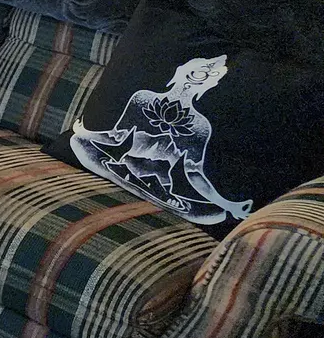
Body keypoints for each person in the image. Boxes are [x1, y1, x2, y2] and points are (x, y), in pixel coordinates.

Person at [68, 54, 248, 225]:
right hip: (123, 164)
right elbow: (116, 137)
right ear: (181, 71)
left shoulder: (200, 126)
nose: (204, 75)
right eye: (202, 69)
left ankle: (156, 190)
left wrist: (226, 203)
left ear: (212, 84)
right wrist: (85, 133)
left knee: (214, 215)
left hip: (161, 184)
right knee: (77, 142)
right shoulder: (143, 99)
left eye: (212, 74)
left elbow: (193, 172)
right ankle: (128, 174)